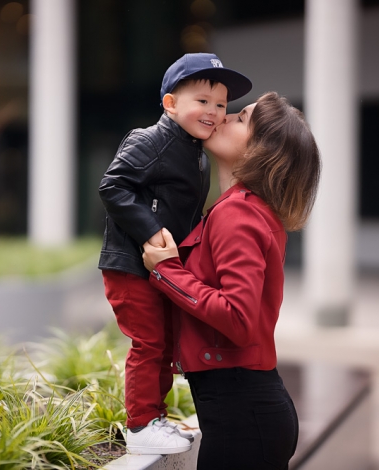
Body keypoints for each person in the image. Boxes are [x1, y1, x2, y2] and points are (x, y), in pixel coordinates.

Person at [142, 91, 321, 469]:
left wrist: (166, 270)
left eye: (241, 119)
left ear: (262, 151)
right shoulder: (241, 209)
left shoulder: (238, 214)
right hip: (246, 413)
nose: (222, 117)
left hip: (244, 416)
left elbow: (238, 318)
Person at [98, 53, 252, 455]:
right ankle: (140, 426)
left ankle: (154, 418)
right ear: (170, 104)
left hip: (157, 269)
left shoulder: (195, 152)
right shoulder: (151, 140)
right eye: (203, 101)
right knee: (149, 343)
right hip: (132, 264)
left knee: (164, 344)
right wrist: (150, 234)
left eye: (221, 105)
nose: (215, 112)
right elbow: (113, 185)